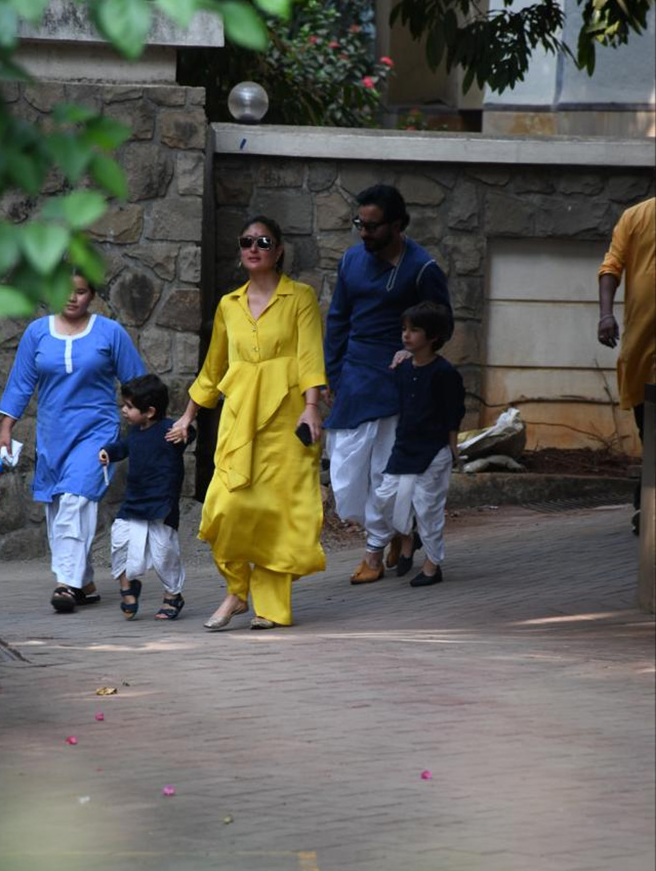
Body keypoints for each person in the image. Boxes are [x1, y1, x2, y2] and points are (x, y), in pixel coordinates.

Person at [167, 216, 326, 630]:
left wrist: (312, 407)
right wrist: (188, 415)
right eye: (246, 242)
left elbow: (310, 355)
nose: (253, 247)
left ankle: (267, 606)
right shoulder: (228, 305)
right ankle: (237, 590)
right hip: (239, 418)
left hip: (287, 420)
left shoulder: (301, 297)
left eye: (263, 241)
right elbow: (213, 366)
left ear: (279, 250)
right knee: (226, 506)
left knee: (276, 513)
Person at [324, 183, 452, 584]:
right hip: (354, 379)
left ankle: (374, 552)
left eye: (373, 226)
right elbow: (338, 319)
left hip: (399, 383)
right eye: (359, 224)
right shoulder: (350, 262)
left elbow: (441, 322)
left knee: (385, 474)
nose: (363, 233)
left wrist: (417, 361)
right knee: (345, 475)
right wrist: (333, 374)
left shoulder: (423, 268)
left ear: (397, 225)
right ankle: (399, 528)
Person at [0, 270, 145, 613]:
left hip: (96, 433)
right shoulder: (37, 333)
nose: (71, 297)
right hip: (52, 436)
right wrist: (6, 428)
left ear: (92, 295)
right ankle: (86, 583)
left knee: (77, 500)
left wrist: (147, 425)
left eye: (80, 292)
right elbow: (20, 384)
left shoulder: (110, 333)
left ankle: (66, 584)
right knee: (59, 507)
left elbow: (138, 383)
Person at [368, 302, 465, 587]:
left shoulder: (444, 373)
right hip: (404, 448)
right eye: (404, 329)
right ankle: (408, 536)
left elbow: (453, 412)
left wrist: (452, 447)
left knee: (427, 507)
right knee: (385, 499)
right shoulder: (403, 367)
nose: (406, 335)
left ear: (433, 336)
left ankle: (433, 566)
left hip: (433, 450)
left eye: (414, 330)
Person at [99, 374, 192, 621]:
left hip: (161, 505)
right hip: (134, 503)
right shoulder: (135, 432)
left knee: (164, 554)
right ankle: (128, 589)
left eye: (129, 406)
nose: (123, 410)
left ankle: (173, 596)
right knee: (120, 543)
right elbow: (124, 446)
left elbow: (187, 434)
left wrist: (185, 431)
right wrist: (108, 452)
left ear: (149, 411)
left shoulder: (169, 431)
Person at [598, 196, 655, 533]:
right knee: (651, 432)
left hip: (641, 354)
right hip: (643, 353)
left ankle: (644, 504)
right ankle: (645, 504)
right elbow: (611, 267)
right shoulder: (635, 217)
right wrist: (606, 314)